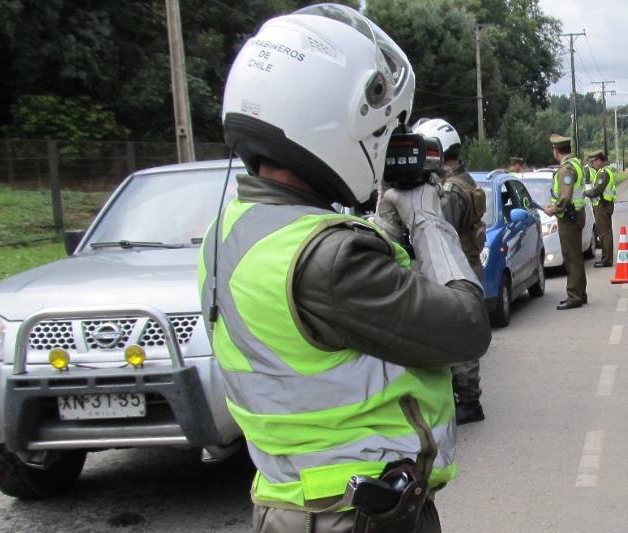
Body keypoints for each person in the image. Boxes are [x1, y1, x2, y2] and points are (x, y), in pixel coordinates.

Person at [198, 5, 491, 532]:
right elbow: (465, 328)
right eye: (385, 132)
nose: (386, 150)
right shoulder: (331, 259)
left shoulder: (233, 229)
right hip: (359, 515)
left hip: (291, 500)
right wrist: (428, 219)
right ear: (337, 124)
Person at [414, 118, 487, 426]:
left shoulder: (450, 191)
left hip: (455, 268)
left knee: (458, 333)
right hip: (466, 262)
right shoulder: (464, 180)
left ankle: (469, 401)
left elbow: (439, 231)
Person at [543, 135, 587, 310]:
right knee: (577, 256)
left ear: (556, 150)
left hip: (569, 217)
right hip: (577, 214)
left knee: (571, 258)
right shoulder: (576, 164)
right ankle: (580, 293)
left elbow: (566, 197)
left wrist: (553, 209)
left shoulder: (565, 170)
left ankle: (574, 296)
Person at [584, 150, 616, 268]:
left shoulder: (603, 173)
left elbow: (597, 190)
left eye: (594, 161)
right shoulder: (603, 171)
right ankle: (606, 258)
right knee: (606, 233)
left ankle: (606, 260)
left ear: (599, 160)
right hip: (604, 204)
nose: (592, 164)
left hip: (602, 205)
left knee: (604, 234)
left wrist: (585, 193)